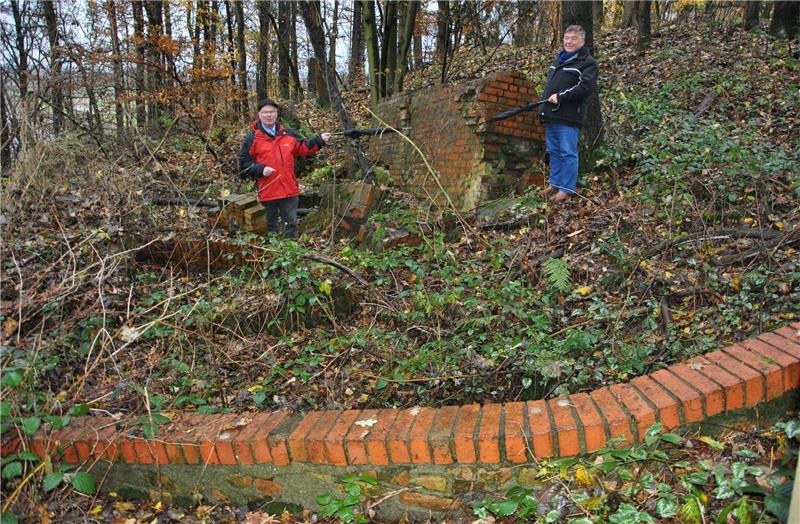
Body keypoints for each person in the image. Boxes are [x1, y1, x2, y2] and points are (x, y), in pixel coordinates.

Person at [239, 99, 331, 238]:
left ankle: (290, 251)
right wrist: (260, 169)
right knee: (270, 226)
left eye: (272, 112)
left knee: (291, 224)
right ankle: (273, 254)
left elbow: (304, 148)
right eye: (265, 112)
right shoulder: (252, 138)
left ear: (276, 114)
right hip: (267, 189)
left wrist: (319, 140)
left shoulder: (287, 133)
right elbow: (244, 164)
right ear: (259, 114)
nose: (269, 115)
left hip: (289, 188)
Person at [539, 25, 598, 202]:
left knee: (567, 152)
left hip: (570, 117)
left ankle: (567, 189)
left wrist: (561, 97)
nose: (569, 41)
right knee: (554, 151)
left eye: (573, 38)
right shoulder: (558, 61)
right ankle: (554, 184)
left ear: (582, 41)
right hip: (552, 115)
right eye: (566, 38)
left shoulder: (587, 63)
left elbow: (586, 87)